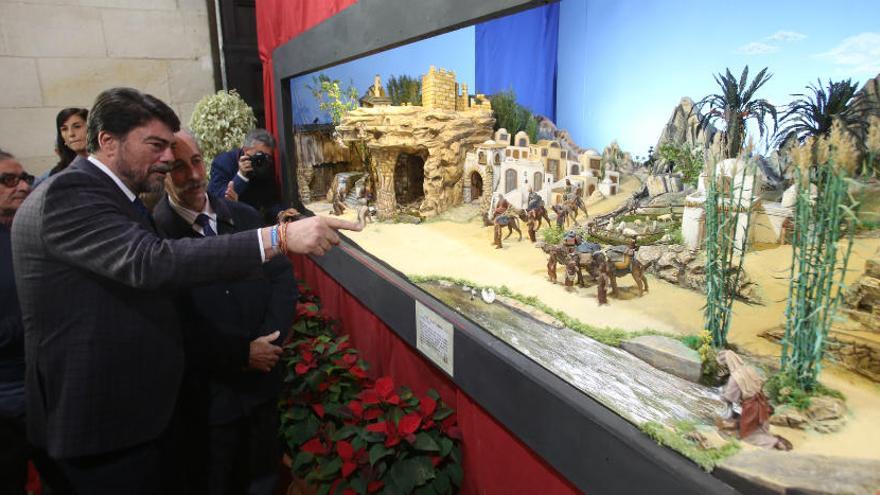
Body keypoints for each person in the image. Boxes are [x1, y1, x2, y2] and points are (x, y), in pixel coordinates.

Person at [11, 87, 360, 495]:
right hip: (102, 425)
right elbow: (151, 263)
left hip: (137, 418)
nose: (166, 158)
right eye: (156, 146)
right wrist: (278, 237)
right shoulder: (72, 193)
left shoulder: (113, 197)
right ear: (108, 141)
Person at [153, 129, 296, 495]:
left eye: (197, 161)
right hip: (207, 402)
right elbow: (168, 322)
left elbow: (281, 281)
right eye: (179, 167)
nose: (194, 175)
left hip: (262, 386)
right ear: (161, 173)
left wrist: (270, 343)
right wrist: (239, 354)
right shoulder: (153, 238)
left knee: (266, 478)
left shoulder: (246, 217)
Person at [0, 150, 33, 494]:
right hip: (6, 392)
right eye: (9, 180)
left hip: (42, 379)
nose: (22, 186)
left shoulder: (24, 232)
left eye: (25, 178)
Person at [716, 350, 791, 450]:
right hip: (761, 400)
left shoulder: (735, 377)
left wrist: (722, 396)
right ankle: (771, 438)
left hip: (751, 406)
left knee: (748, 435)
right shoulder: (749, 369)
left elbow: (730, 396)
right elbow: (760, 382)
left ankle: (774, 442)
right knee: (759, 427)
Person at [208, 129, 281, 225]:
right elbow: (218, 200)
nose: (262, 160)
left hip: (252, 223)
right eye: (260, 156)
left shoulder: (265, 166)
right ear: (246, 150)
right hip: (228, 224)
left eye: (267, 157)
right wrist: (241, 176)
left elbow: (271, 202)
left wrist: (282, 214)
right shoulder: (223, 163)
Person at [52, 108, 89, 176]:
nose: (71, 134)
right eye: (64, 129)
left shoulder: (110, 164)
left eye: (77, 127)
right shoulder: (59, 173)